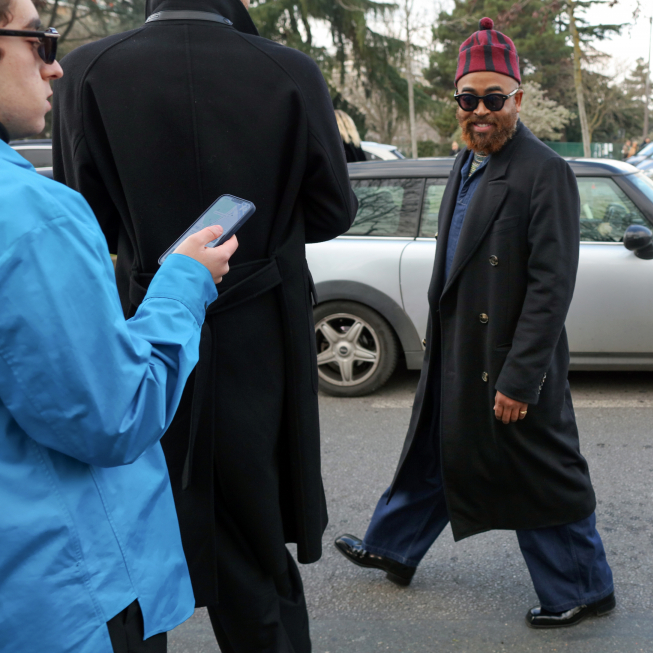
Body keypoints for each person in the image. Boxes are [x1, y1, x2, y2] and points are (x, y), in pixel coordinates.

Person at [52, 0, 357, 650]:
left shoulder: (86, 69)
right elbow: (334, 207)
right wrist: (264, 228)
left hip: (143, 325)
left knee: (131, 532)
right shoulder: (290, 70)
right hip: (261, 338)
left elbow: (86, 221)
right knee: (254, 543)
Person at [334, 16, 614, 630]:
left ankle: (585, 586)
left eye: (493, 98)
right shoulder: (465, 163)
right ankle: (395, 545)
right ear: (456, 102)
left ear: (518, 98)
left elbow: (551, 285)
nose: (480, 110)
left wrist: (520, 378)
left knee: (539, 470)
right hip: (458, 347)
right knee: (436, 449)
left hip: (510, 356)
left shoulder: (545, 171)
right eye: (468, 98)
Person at [0, 0, 238, 650]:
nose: (57, 67)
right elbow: (114, 412)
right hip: (56, 593)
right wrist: (184, 282)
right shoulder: (26, 214)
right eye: (41, 41)